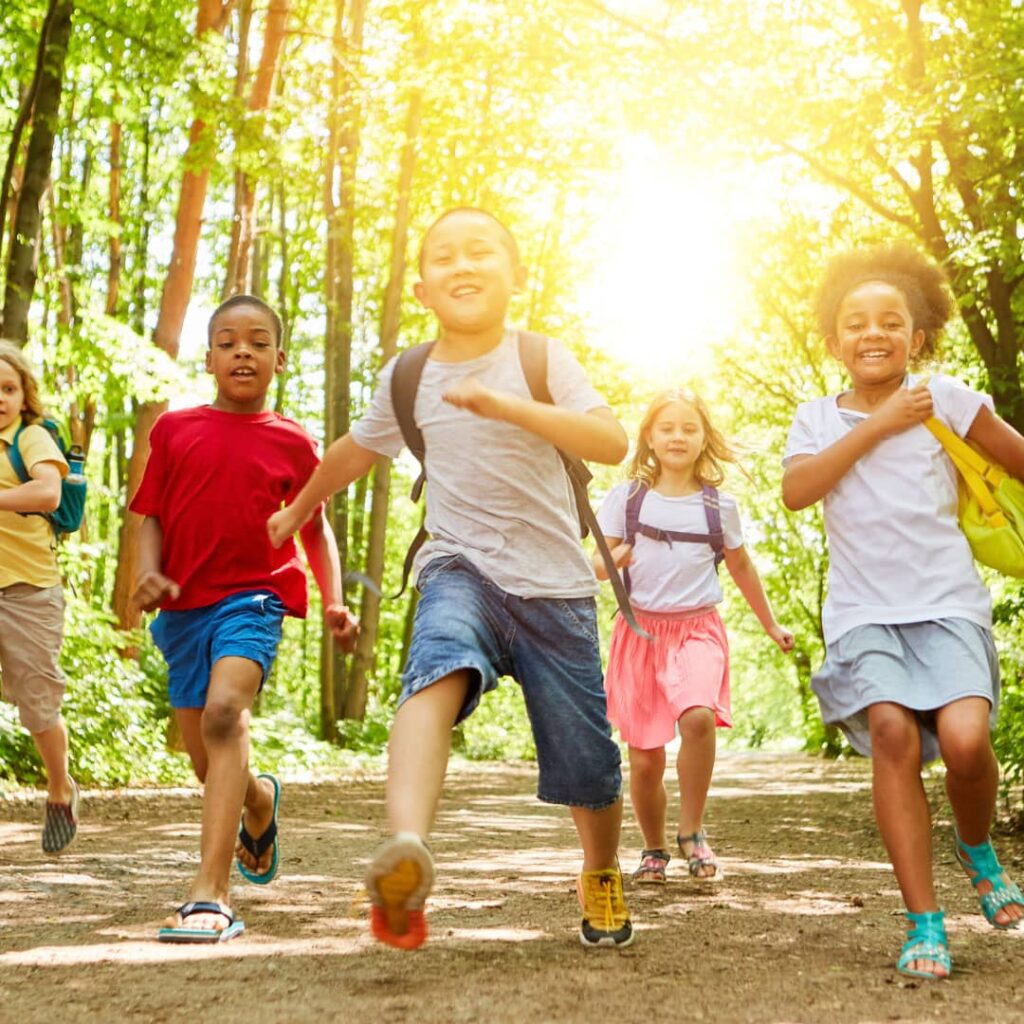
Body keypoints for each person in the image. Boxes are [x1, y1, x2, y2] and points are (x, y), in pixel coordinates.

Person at [268, 206, 635, 951]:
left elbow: (611, 438)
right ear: (422, 287)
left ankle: (600, 869)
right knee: (435, 666)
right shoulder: (409, 374)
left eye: (481, 252)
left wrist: (509, 404)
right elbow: (353, 451)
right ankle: (407, 846)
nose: (462, 265)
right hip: (457, 562)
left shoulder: (541, 357)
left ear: (515, 275)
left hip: (555, 585)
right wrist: (299, 507)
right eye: (443, 257)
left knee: (587, 758)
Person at [782, 244, 1024, 979]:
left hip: (947, 602)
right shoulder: (816, 419)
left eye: (891, 320)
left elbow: (1015, 456)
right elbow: (798, 491)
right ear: (834, 343)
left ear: (916, 337)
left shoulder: (945, 396)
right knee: (890, 733)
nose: (874, 332)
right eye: (856, 323)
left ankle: (976, 847)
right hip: (862, 612)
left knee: (965, 741)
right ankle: (926, 923)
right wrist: (881, 423)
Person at [130, 295, 357, 943]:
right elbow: (150, 514)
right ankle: (258, 800)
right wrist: (149, 572)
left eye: (258, 342)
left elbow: (316, 530)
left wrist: (333, 599)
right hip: (181, 611)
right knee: (207, 762)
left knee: (226, 712)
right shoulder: (174, 430)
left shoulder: (292, 440)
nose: (242, 352)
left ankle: (211, 893)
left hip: (253, 600)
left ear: (279, 360)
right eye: (228, 342)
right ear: (208, 359)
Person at [594, 388, 793, 884]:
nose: (678, 436)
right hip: (639, 633)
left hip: (698, 629)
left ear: (705, 438)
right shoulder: (626, 499)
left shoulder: (718, 507)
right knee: (643, 761)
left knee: (699, 718)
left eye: (689, 428)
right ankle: (654, 849)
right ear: (649, 437)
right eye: (667, 428)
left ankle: (692, 831)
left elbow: (742, 566)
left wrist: (770, 624)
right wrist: (611, 561)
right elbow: (595, 564)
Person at [0, 340, 77, 853]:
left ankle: (60, 786)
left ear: (25, 394)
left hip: (28, 591)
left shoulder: (28, 439)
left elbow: (48, 493)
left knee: (38, 704)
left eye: (8, 388)